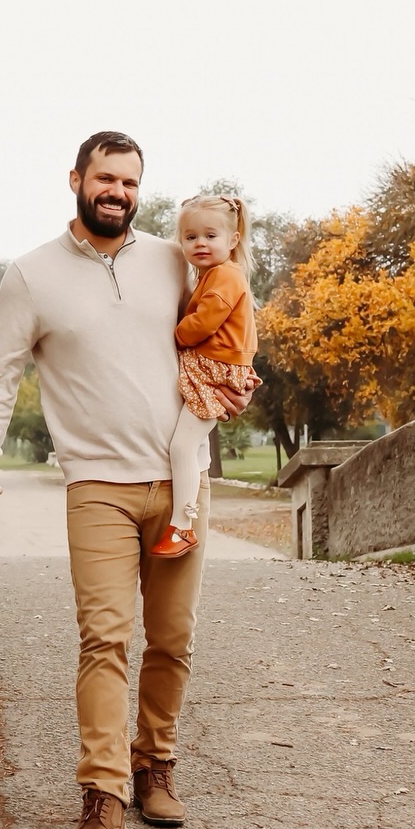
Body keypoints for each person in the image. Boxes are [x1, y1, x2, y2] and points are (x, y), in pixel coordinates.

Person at [0, 131, 251, 829]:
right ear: (76, 180)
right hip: (97, 486)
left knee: (173, 639)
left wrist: (231, 383)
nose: (116, 192)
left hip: (181, 483)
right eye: (105, 179)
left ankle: (156, 762)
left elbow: (228, 315)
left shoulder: (171, 257)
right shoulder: (30, 275)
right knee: (105, 639)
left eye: (128, 181)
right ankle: (103, 792)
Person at [151, 194, 260, 560]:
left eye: (210, 236)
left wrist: (176, 333)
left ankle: (183, 526)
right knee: (183, 445)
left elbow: (206, 321)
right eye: (191, 237)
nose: (199, 244)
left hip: (216, 369)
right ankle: (182, 525)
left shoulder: (225, 275)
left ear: (233, 240)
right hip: (213, 365)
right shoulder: (211, 274)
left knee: (182, 448)